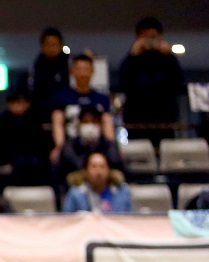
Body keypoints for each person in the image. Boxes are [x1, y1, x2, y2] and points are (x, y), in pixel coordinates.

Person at [115, 17, 185, 150]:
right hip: (137, 119)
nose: (150, 41)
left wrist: (169, 56)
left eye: (153, 37)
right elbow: (123, 83)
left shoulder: (168, 60)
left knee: (166, 152)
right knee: (139, 155)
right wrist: (132, 55)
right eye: (145, 37)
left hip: (164, 119)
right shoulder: (132, 60)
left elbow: (178, 84)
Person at [50, 54, 113, 166]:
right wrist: (59, 147)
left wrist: (112, 145)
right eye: (79, 69)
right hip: (72, 145)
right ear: (72, 71)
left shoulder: (102, 99)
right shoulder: (62, 98)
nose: (83, 73)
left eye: (86, 69)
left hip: (98, 144)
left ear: (92, 71)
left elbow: (107, 124)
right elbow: (58, 124)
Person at [0, 89, 50, 187]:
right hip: (11, 155)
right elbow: (2, 144)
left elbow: (39, 142)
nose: (17, 106)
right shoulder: (3, 119)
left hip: (33, 153)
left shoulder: (35, 117)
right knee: (19, 162)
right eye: (14, 102)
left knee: (33, 161)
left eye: (20, 102)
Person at [55, 106, 123, 183]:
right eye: (85, 122)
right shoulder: (68, 148)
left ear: (101, 124)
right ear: (79, 125)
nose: (90, 126)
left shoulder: (110, 147)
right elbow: (60, 178)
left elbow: (118, 174)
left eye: (94, 122)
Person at [62, 150, 134, 213]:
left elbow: (130, 219)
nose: (98, 172)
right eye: (94, 167)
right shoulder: (75, 194)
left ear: (109, 170)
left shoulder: (122, 193)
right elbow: (67, 219)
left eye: (102, 167)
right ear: (85, 171)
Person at [29, 28, 70, 127]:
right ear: (42, 47)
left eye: (55, 44)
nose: (52, 48)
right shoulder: (36, 68)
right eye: (49, 45)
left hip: (65, 113)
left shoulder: (69, 66)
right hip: (40, 114)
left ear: (60, 46)